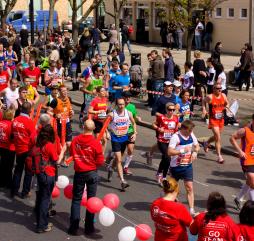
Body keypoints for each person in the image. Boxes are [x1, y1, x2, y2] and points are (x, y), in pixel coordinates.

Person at [68, 119, 104, 236]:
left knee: (76, 200)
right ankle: (89, 227)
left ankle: (73, 227)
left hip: (79, 172)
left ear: (83, 127)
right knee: (91, 200)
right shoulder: (95, 143)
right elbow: (100, 161)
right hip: (92, 172)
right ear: (93, 129)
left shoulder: (76, 140)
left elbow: (72, 153)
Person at [33, 125, 61, 233]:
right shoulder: (49, 145)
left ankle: (39, 217)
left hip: (39, 173)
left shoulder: (38, 142)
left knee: (40, 196)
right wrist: (62, 152)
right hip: (48, 174)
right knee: (45, 199)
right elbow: (55, 159)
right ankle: (42, 225)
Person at [168, 120, 200, 216]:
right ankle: (167, 203)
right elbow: (169, 152)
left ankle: (191, 211)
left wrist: (195, 152)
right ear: (184, 129)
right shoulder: (175, 137)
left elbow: (197, 146)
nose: (191, 132)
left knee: (189, 188)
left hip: (187, 166)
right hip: (176, 167)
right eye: (190, 130)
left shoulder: (191, 135)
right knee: (172, 189)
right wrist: (182, 151)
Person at [107, 98, 137, 190]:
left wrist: (135, 133)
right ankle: (122, 181)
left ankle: (111, 168)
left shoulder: (128, 113)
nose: (121, 106)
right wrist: (107, 132)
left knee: (117, 159)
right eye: (119, 104)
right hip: (115, 139)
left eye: (123, 104)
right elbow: (105, 125)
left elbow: (134, 123)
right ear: (116, 105)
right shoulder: (112, 115)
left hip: (124, 138)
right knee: (119, 160)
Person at [11, 102, 35, 198]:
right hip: (27, 149)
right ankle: (25, 192)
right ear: (29, 111)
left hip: (18, 148)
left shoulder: (15, 120)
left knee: (18, 170)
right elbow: (33, 138)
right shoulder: (29, 122)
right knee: (28, 172)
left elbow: (12, 134)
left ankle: (14, 190)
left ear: (21, 109)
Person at [230, 114, 254, 208]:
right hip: (246, 159)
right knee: (253, 181)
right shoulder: (245, 130)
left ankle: (238, 198)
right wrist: (239, 151)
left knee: (249, 182)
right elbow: (232, 138)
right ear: (253, 120)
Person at [202, 82, 229, 164]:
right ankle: (219, 156)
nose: (219, 90)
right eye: (217, 88)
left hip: (221, 119)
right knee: (218, 137)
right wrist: (204, 109)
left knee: (217, 136)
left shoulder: (223, 95)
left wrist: (227, 107)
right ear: (213, 89)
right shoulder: (210, 97)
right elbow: (203, 101)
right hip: (213, 119)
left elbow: (227, 103)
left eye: (220, 88)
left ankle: (206, 142)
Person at [153, 102, 179, 184]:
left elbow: (176, 129)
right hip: (162, 141)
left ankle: (160, 175)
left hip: (171, 141)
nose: (171, 111)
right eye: (169, 110)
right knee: (167, 158)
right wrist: (158, 128)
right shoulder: (161, 117)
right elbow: (153, 124)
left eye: (173, 110)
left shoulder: (175, 118)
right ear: (166, 110)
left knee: (165, 158)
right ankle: (162, 176)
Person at [122, 91, 140, 175]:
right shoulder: (118, 106)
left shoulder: (132, 106)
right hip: (120, 132)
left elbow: (134, 118)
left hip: (130, 131)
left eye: (129, 97)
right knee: (120, 152)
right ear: (123, 98)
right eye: (126, 97)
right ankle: (111, 155)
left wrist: (138, 118)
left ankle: (125, 167)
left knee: (130, 149)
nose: (128, 98)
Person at [88, 86, 109, 152]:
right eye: (102, 91)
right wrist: (97, 112)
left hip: (103, 121)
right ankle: (94, 152)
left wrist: (105, 111)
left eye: (104, 90)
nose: (104, 92)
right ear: (98, 93)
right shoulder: (95, 100)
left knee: (105, 140)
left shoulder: (105, 100)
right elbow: (89, 110)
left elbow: (105, 109)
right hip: (96, 121)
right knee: (98, 139)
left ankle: (101, 155)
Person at [0, 108, 16, 189]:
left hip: (1, 146)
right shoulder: (11, 125)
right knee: (9, 167)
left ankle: (1, 182)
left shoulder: (0, 122)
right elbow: (12, 138)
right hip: (9, 148)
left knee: (2, 164)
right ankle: (8, 183)